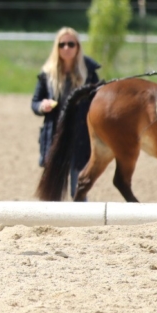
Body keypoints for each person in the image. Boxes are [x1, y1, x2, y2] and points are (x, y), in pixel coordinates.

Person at [31, 27, 101, 197]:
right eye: (62, 44)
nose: (67, 48)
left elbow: (98, 102)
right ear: (57, 47)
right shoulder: (47, 74)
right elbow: (35, 102)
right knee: (52, 190)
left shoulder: (89, 73)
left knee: (79, 190)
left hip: (82, 136)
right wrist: (43, 105)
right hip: (55, 134)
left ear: (78, 46)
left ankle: (82, 221)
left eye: (71, 44)